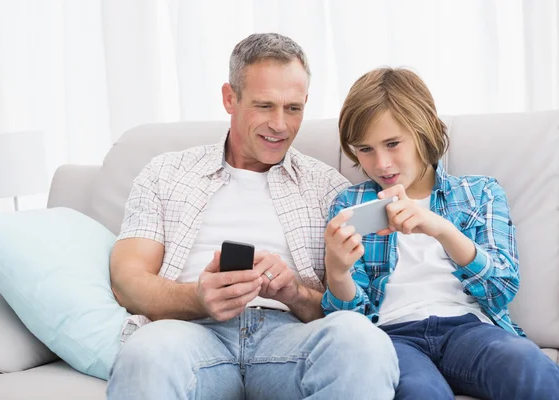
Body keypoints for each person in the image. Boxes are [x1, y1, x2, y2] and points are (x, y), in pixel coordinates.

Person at [106, 33, 399, 400]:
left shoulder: (329, 187)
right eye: (264, 106)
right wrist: (198, 297)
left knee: (362, 341)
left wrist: (295, 293)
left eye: (293, 108)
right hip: (190, 335)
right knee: (146, 352)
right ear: (230, 98)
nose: (280, 124)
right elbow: (127, 281)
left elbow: (348, 302)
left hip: (290, 340)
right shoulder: (165, 174)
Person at [322, 67, 559, 399]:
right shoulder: (350, 204)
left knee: (523, 362)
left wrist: (442, 229)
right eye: (365, 149)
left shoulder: (479, 193)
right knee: (420, 391)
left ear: (424, 132)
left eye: (392, 143)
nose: (382, 163)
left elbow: (501, 287)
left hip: (469, 329)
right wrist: (337, 270)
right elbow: (349, 323)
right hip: (393, 337)